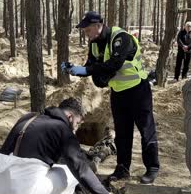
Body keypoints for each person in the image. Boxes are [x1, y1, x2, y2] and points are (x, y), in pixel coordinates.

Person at [0, 98, 121, 194]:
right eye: (77, 123)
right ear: (69, 117)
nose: (76, 128)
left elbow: (6, 153)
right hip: (21, 193)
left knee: (16, 168)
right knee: (70, 176)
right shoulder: (63, 130)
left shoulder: (28, 118)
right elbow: (82, 170)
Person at [63, 11, 160, 184]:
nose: (86, 35)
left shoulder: (121, 38)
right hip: (118, 93)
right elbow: (91, 66)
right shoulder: (94, 44)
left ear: (97, 26)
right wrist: (74, 69)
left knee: (146, 130)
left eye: (87, 30)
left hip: (138, 90)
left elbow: (114, 64)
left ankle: (152, 168)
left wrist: (86, 70)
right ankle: (122, 168)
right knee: (122, 133)